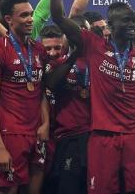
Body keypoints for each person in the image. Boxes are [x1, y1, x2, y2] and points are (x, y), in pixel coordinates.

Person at [48, 0, 135, 194]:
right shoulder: (94, 45)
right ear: (111, 25)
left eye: (133, 20)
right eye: (126, 20)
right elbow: (60, 18)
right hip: (102, 136)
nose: (133, 25)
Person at [0, 0, 49, 194]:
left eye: (32, 14)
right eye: (24, 15)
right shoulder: (0, 50)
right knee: (7, 190)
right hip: (10, 133)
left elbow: (41, 90)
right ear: (9, 19)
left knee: (35, 187)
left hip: (36, 133)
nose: (30, 19)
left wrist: (46, 123)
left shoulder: (38, 50)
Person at [41, 23, 91, 194]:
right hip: (58, 137)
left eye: (57, 47)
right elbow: (51, 83)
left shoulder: (91, 63)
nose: (52, 53)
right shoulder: (53, 66)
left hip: (87, 135)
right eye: (47, 48)